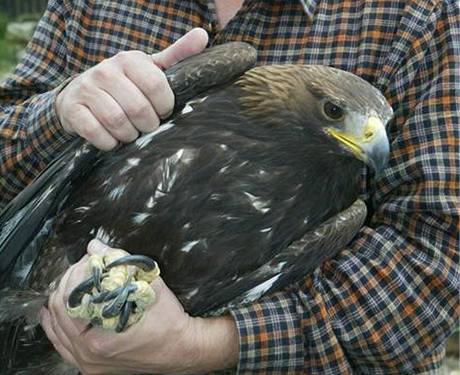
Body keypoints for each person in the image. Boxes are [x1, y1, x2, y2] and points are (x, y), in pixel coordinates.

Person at [0, 0, 458, 373]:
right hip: (31, 309)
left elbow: (434, 265)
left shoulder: (420, 16)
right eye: (336, 114)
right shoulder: (90, 6)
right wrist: (60, 110)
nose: (372, 139)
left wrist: (199, 347)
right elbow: (10, 158)